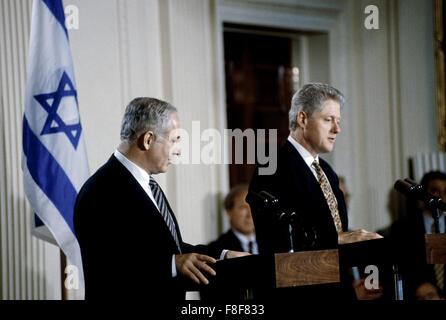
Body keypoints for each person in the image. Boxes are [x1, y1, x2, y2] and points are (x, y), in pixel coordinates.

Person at [73, 97, 247, 301]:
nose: (179, 150)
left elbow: (172, 248)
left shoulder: (146, 184)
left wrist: (223, 256)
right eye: (174, 140)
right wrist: (172, 264)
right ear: (148, 140)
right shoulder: (101, 190)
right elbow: (109, 265)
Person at [248, 83, 381, 255]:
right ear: (303, 119)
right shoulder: (271, 167)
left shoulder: (327, 171)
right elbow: (278, 240)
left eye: (338, 121)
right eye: (328, 120)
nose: (337, 129)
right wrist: (337, 239)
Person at [390, 170, 446, 299]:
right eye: (435, 191)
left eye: (445, 191)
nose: (441, 197)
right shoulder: (402, 228)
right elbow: (400, 268)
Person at [208, 184, 258, 254]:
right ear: (229, 212)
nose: (250, 215)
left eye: (253, 207)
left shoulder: (273, 242)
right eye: (243, 207)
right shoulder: (217, 249)